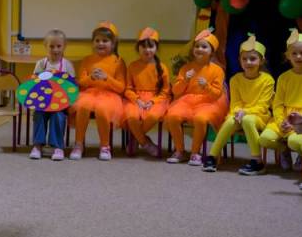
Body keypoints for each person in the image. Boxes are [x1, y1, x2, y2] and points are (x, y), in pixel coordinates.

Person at [202, 35, 274, 174]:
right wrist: (238, 112)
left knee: (247, 120)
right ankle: (212, 156)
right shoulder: (235, 79)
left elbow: (263, 106)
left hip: (259, 116)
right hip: (238, 113)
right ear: (240, 61)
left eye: (252, 59)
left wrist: (245, 112)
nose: (248, 62)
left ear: (261, 61)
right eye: (244, 59)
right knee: (230, 121)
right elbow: (235, 103)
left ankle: (257, 161)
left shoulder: (268, 80)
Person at [163, 29, 228, 165]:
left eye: (204, 47)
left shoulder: (217, 70)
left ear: (212, 51)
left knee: (201, 118)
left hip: (209, 101)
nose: (199, 49)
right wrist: (184, 80)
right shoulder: (186, 68)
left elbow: (217, 93)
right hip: (187, 100)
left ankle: (195, 153)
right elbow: (176, 91)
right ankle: (180, 150)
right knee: (173, 116)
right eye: (197, 46)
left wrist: (207, 87)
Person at [259, 29, 302, 171]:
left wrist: (299, 121)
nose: (298, 56)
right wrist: (281, 121)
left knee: (294, 140)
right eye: (294, 53)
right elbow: (277, 104)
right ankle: (284, 150)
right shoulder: (283, 78)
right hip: (283, 117)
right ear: (288, 56)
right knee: (265, 139)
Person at [70, 21, 126, 161]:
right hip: (89, 93)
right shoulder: (87, 60)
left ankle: (105, 146)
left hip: (110, 96)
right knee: (82, 106)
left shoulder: (118, 61)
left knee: (102, 109)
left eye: (105, 41)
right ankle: (78, 144)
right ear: (93, 42)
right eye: (97, 40)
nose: (100, 43)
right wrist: (91, 78)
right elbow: (81, 83)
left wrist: (107, 78)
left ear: (113, 44)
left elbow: (121, 87)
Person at [121, 27, 171, 157]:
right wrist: (137, 100)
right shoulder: (132, 66)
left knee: (153, 116)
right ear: (138, 48)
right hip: (136, 98)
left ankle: (135, 138)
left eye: (151, 46)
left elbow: (165, 91)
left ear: (156, 48)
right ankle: (145, 142)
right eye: (143, 47)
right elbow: (128, 88)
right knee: (131, 116)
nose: (147, 50)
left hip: (156, 99)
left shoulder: (162, 68)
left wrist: (152, 101)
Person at [29, 29, 76, 160]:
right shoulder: (41, 64)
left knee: (58, 116)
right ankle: (38, 145)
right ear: (46, 46)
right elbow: (34, 83)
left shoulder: (67, 65)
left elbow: (72, 86)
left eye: (59, 46)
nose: (55, 50)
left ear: (64, 46)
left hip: (60, 103)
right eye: (51, 46)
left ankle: (57, 147)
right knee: (39, 114)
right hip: (43, 102)